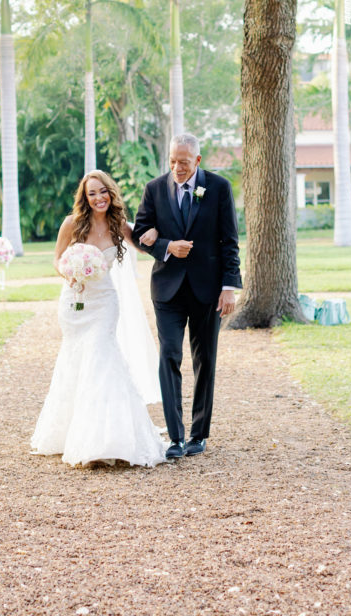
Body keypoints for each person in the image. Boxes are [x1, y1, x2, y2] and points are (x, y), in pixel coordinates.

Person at [31, 170, 166, 468]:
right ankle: (74, 435)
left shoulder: (119, 224)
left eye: (103, 191)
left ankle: (106, 439)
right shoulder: (72, 223)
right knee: (75, 361)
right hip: (75, 301)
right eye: (92, 193)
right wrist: (70, 271)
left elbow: (143, 245)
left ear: (110, 193)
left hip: (105, 302)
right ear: (85, 197)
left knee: (101, 359)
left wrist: (155, 233)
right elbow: (56, 259)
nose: (99, 198)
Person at [132, 132, 241, 460]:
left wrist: (229, 287)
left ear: (197, 160)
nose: (177, 168)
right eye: (172, 161)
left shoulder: (219, 188)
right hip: (167, 290)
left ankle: (199, 434)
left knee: (205, 359)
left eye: (183, 162)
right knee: (169, 356)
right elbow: (139, 233)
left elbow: (229, 241)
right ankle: (176, 438)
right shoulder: (154, 189)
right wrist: (166, 246)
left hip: (208, 290)